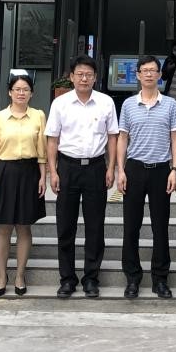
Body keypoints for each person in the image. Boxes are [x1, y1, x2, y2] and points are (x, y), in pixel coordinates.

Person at [46, 54, 119, 299]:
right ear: (71, 77)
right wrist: (53, 171)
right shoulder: (60, 103)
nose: (84, 78)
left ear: (95, 77)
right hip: (67, 167)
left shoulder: (106, 102)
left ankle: (91, 279)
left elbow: (112, 137)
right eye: (80, 74)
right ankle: (67, 279)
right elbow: (52, 139)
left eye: (88, 74)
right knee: (65, 226)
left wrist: (111, 168)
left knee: (95, 226)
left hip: (96, 168)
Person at [116, 53, 176, 299]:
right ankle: (132, 278)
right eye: (144, 70)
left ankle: (160, 279)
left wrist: (175, 169)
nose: (149, 74)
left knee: (160, 227)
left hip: (161, 170)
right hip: (134, 168)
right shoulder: (128, 104)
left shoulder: (170, 104)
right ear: (138, 74)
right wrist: (120, 170)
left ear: (159, 74)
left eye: (153, 70)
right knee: (131, 226)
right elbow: (123, 138)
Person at [0, 74, 46, 297]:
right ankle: (2, 275)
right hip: (4, 172)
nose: (21, 93)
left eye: (25, 89)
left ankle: (20, 275)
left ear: (31, 93)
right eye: (17, 89)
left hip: (30, 173)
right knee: (4, 226)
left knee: (24, 226)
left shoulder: (38, 116)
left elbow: (42, 151)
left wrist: (43, 177)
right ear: (9, 92)